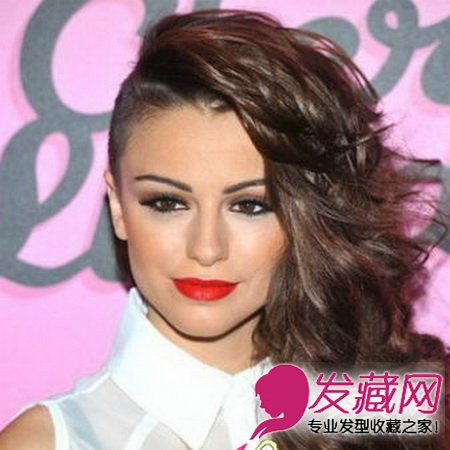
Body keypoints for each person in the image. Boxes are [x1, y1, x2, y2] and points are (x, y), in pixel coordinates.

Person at [0, 8, 448, 450]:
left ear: (303, 215)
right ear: (119, 206)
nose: (207, 248)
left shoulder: (386, 411)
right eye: (168, 203)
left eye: (250, 205)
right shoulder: (48, 442)